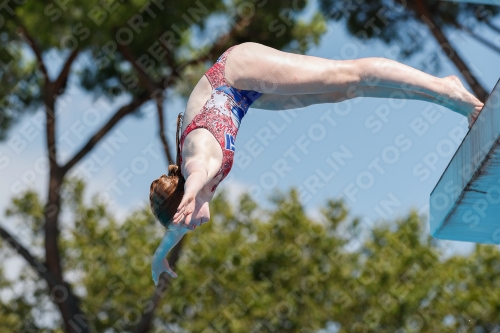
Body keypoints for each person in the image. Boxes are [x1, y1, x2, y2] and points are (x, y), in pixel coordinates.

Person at [149, 42, 484, 285]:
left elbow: (196, 174)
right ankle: (442, 97)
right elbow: (179, 216)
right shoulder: (190, 189)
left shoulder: (199, 164)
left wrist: (191, 193)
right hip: (241, 95)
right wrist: (158, 256)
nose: (190, 227)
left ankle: (447, 90)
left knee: (348, 76)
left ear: (186, 203)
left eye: (185, 221)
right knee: (345, 91)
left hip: (237, 71)